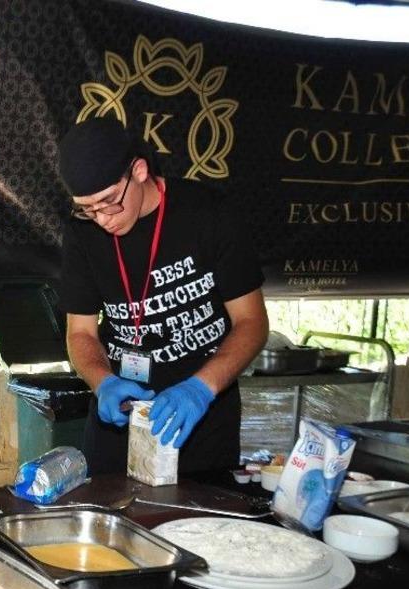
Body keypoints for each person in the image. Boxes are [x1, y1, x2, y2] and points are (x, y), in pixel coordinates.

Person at [56, 117, 268, 478]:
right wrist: (102, 382)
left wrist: (201, 389)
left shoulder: (208, 213)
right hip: (121, 421)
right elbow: (80, 334)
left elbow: (252, 323)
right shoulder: (82, 233)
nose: (102, 219)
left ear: (138, 170)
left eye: (108, 201)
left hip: (200, 419)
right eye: (87, 208)